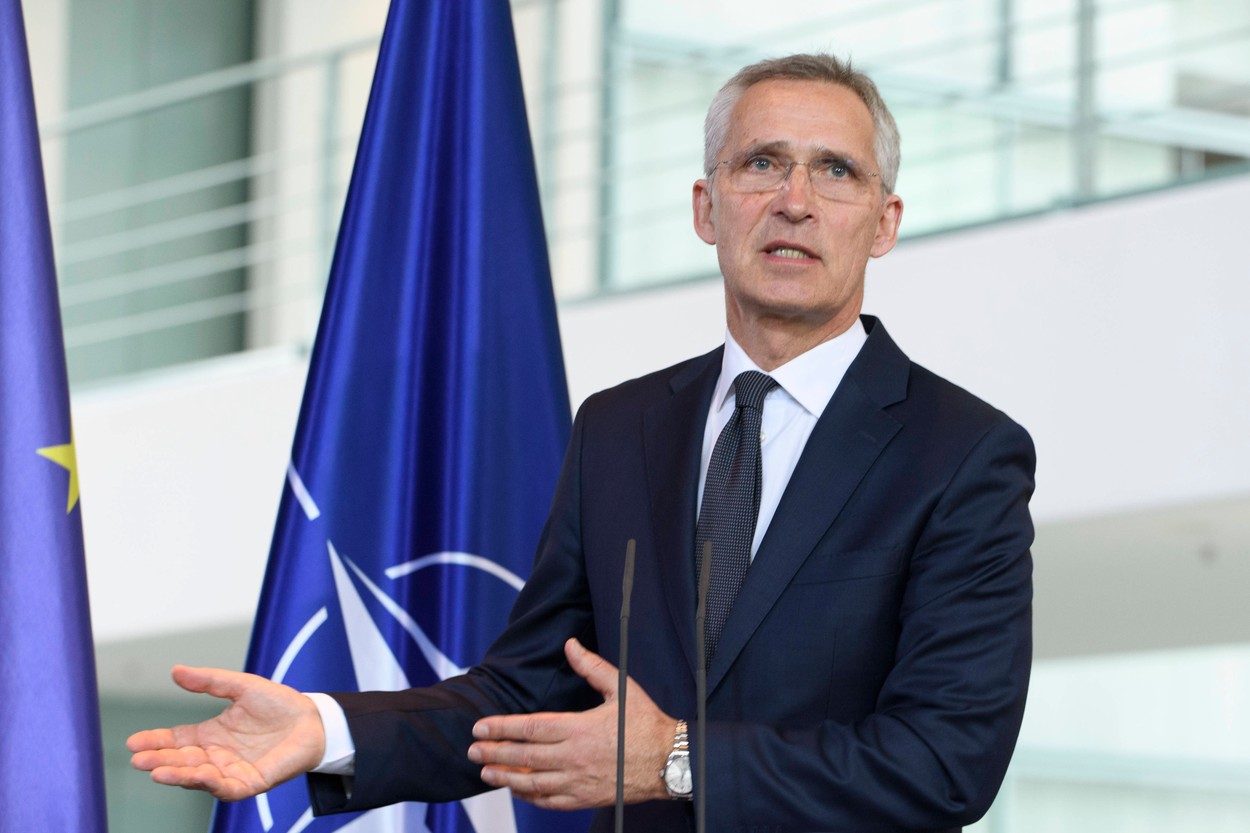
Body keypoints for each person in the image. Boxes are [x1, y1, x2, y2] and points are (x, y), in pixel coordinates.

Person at [129, 53, 1034, 833]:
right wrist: (328, 730)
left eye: (835, 171)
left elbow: (943, 761)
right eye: (761, 163)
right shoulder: (620, 426)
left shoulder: (962, 454)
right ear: (707, 206)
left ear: (883, 221)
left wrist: (675, 758)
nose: (794, 201)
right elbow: (527, 691)